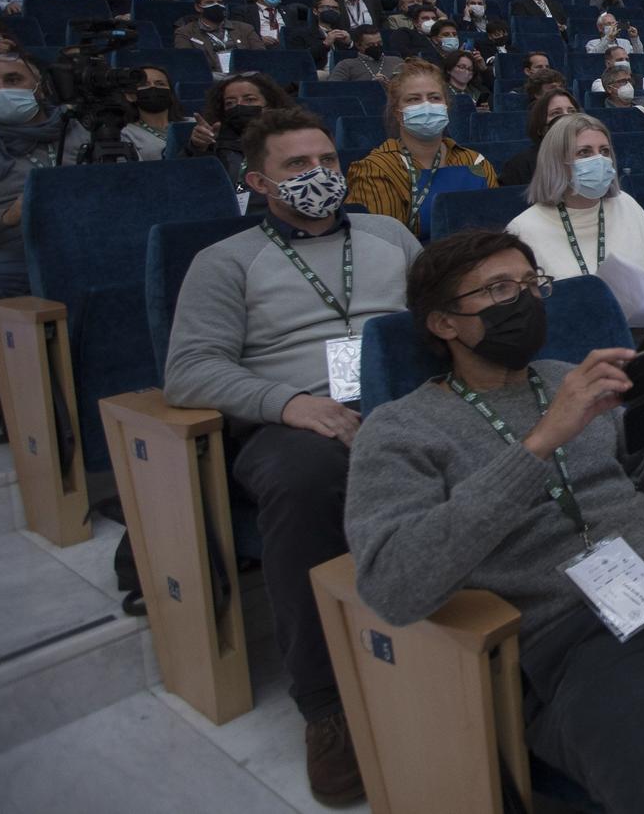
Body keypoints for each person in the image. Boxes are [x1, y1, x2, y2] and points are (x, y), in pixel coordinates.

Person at [346, 229, 644, 814]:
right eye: (498, 289)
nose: (523, 300)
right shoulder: (400, 429)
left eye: (529, 284)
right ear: (444, 323)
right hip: (579, 634)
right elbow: (394, 585)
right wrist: (542, 442)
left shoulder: (565, 377)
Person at [165, 108, 424, 805]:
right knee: (307, 481)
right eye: (296, 166)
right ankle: (326, 705)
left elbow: (439, 310)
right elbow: (189, 370)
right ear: (256, 181)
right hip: (293, 419)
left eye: (327, 161)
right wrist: (290, 404)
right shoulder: (224, 262)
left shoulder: (389, 234)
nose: (319, 175)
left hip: (399, 397)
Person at [0, 50, 93, 389]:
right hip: (16, 249)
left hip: (90, 237)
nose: (1, 89)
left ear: (39, 85)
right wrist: (7, 215)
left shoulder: (81, 129)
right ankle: (27, 399)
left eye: (13, 79)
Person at [507, 114, 644, 326]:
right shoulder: (522, 229)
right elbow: (526, 314)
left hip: (643, 333)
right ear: (556, 162)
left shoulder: (626, 204)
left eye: (604, 151)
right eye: (584, 152)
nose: (599, 160)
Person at [346, 62, 497, 235]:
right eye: (413, 99)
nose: (426, 106)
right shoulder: (376, 169)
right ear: (398, 113)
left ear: (446, 106)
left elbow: (494, 229)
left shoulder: (476, 161)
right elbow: (382, 245)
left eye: (434, 98)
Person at [184, 73, 296, 193]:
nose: (239, 106)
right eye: (230, 103)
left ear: (270, 105)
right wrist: (199, 148)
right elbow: (189, 184)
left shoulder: (294, 138)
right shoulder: (214, 141)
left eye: (249, 100)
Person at [499, 87, 582, 187]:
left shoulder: (591, 155)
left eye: (572, 111)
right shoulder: (519, 165)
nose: (567, 117)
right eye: (556, 113)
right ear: (540, 128)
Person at [172, 0, 264, 71]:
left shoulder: (245, 28)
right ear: (198, 7)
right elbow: (187, 61)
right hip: (212, 75)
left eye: (219, 3)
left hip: (244, 73)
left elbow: (260, 55)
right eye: (210, 3)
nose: (216, 6)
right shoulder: (185, 32)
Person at [119, 64, 185, 161]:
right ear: (130, 96)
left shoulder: (191, 123)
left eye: (160, 84)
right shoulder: (126, 133)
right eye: (144, 85)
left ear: (171, 93)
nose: (153, 87)